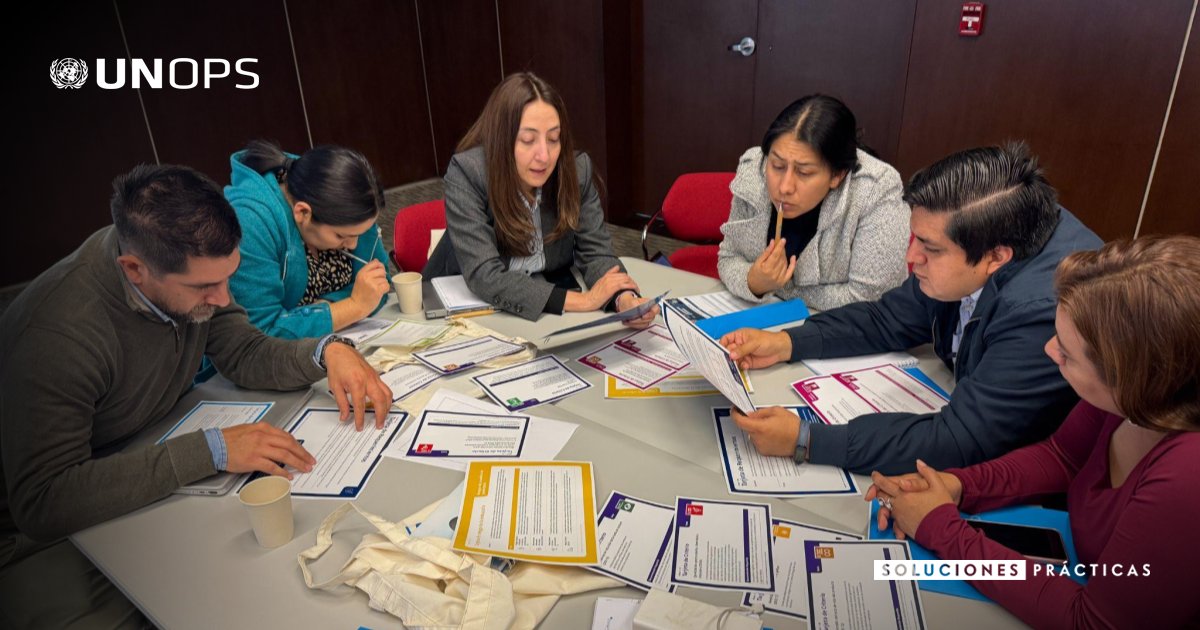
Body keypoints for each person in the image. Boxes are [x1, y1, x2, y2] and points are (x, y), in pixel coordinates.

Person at [0, 164, 393, 629]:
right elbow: (44, 500)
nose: (224, 298)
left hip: (154, 470)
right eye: (205, 287)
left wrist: (325, 352)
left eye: (228, 277)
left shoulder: (181, 267)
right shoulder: (58, 334)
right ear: (135, 271)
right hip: (39, 541)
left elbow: (243, 350)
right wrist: (213, 448)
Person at [868, 235, 1200, 627]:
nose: (1049, 350)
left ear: (1134, 378)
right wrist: (957, 486)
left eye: (1067, 351)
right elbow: (1061, 456)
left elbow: (1088, 622)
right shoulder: (1135, 399)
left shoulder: (1186, 476)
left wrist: (941, 529)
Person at [721, 142, 1103, 475]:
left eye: (930, 248)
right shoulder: (986, 228)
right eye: (914, 237)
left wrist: (806, 439)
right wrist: (787, 342)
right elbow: (890, 318)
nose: (910, 256)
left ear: (996, 256)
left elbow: (958, 440)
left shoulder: (1043, 316)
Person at [424, 72, 656, 325]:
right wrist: (584, 301)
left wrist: (624, 298)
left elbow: (597, 254)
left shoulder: (576, 170)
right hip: (465, 312)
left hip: (543, 303)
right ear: (501, 140)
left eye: (554, 139)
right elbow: (485, 276)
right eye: (528, 140)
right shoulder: (469, 172)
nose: (544, 156)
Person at [717, 94, 910, 310]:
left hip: (846, 332)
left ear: (837, 175)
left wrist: (781, 289)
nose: (784, 187)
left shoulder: (876, 189)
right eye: (777, 166)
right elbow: (728, 257)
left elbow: (871, 298)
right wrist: (753, 281)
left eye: (804, 172)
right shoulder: (755, 168)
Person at [226, 139, 390, 339]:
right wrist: (352, 307)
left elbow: (379, 285)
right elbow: (259, 335)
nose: (353, 245)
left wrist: (325, 308)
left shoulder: (353, 205)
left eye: (359, 234)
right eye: (341, 236)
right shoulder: (250, 225)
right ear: (303, 212)